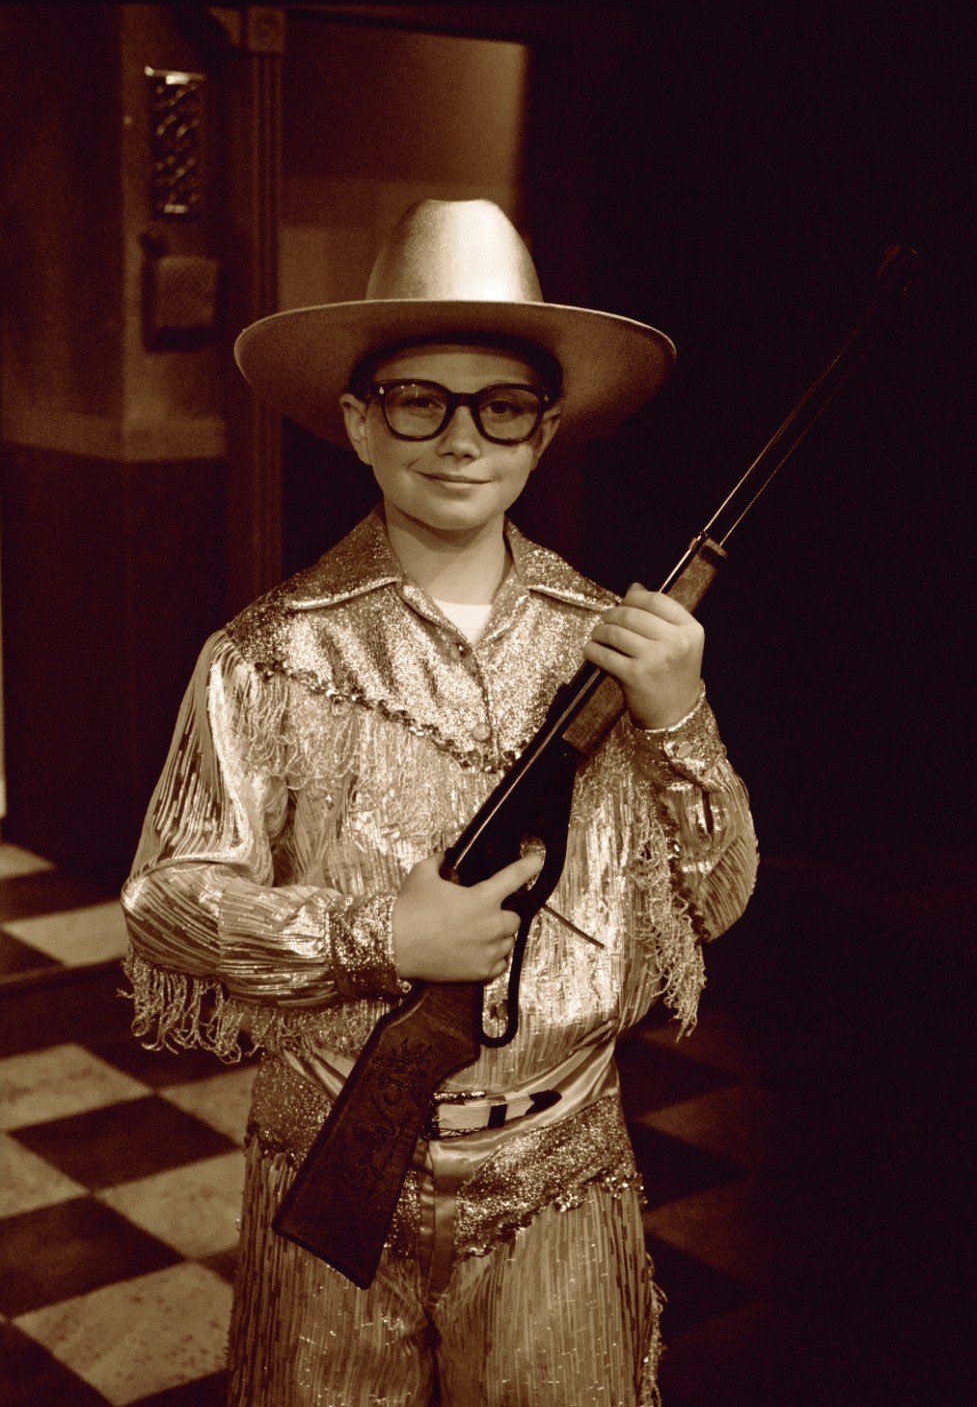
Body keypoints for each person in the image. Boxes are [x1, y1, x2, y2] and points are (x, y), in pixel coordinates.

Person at [121, 198, 758, 1406]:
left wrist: (680, 717)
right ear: (359, 424)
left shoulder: (617, 652)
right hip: (326, 1148)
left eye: (500, 405)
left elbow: (717, 900)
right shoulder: (264, 654)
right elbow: (167, 902)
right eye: (418, 399)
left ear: (544, 429)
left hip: (563, 1169)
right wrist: (379, 939)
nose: (459, 439)